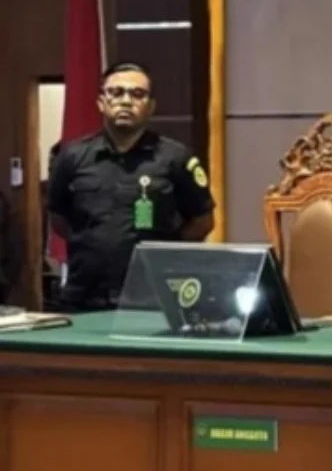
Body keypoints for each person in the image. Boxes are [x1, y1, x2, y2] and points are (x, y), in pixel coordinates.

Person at [47, 62, 215, 312]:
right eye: (116, 93)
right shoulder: (71, 157)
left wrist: (164, 249)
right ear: (101, 102)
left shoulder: (175, 158)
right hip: (84, 296)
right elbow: (58, 218)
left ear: (151, 106)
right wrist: (91, 242)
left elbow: (202, 221)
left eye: (137, 94)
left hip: (152, 298)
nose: (125, 101)